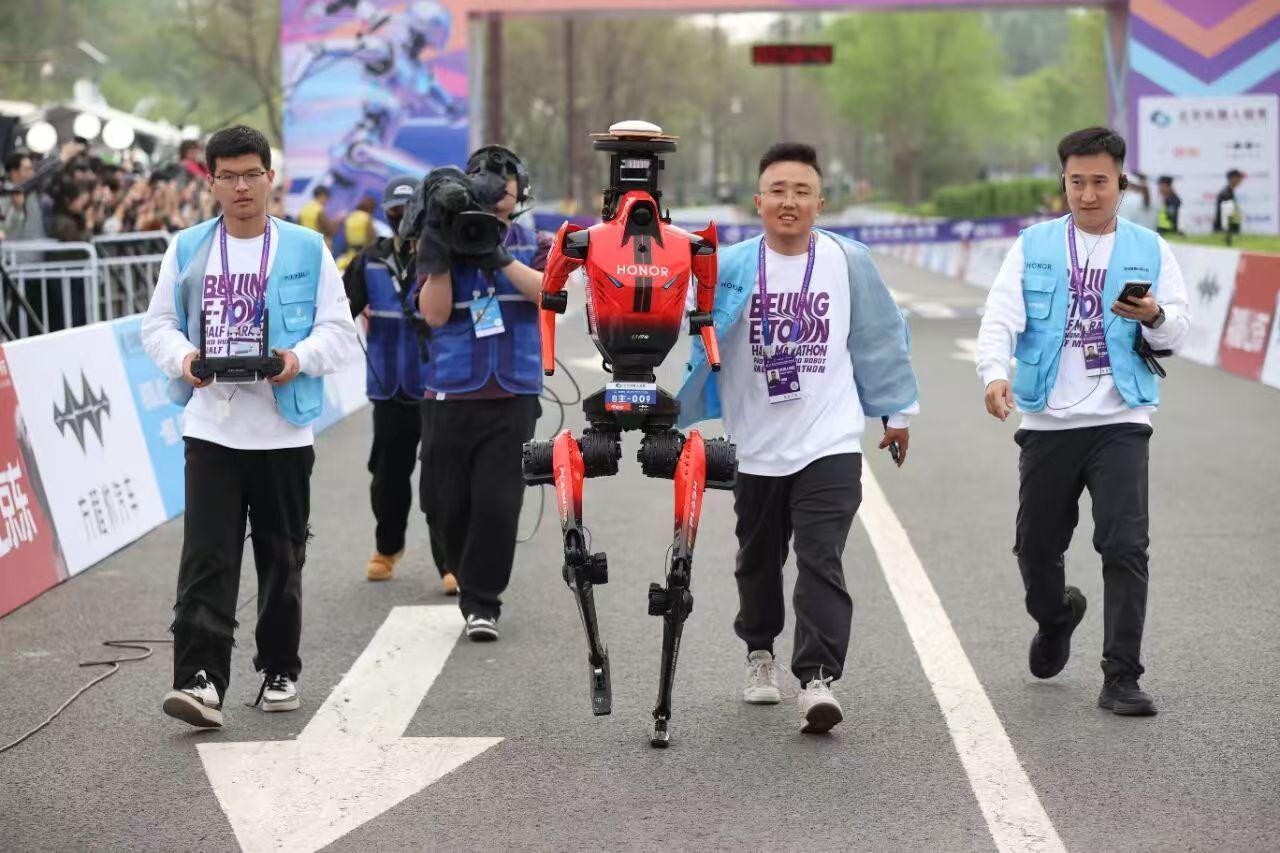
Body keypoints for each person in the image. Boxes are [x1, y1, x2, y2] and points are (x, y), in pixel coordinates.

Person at [677, 142, 920, 734]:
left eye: (802, 191)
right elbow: (687, 325)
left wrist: (895, 412)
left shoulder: (848, 261)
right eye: (778, 191)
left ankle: (817, 679)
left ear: (820, 202)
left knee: (820, 556)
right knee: (758, 559)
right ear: (757, 201)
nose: (790, 202)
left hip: (829, 439)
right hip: (755, 444)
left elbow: (880, 336)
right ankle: (760, 652)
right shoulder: (730, 267)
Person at [142, 125, 360, 728]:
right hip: (211, 429)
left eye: (252, 174)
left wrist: (296, 359)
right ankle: (200, 680)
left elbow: (339, 332)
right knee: (206, 558)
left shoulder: (307, 248)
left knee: (282, 557)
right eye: (229, 176)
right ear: (211, 183)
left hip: (283, 432)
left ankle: (280, 669)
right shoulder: (187, 248)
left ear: (271, 178)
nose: (241, 187)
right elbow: (157, 325)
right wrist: (185, 359)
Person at [976, 126, 1191, 716]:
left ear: (1122, 183)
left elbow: (1177, 334)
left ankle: (1122, 676)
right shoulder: (1034, 244)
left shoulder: (1150, 248)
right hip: (1048, 419)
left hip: (1123, 417)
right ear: (1064, 182)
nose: (1088, 194)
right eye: (1077, 182)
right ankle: (1056, 616)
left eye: (1101, 181)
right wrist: (994, 374)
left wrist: (1154, 315)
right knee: (1035, 547)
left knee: (1125, 546)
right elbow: (1000, 317)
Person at [415, 145, 543, 642]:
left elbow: (549, 293)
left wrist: (500, 256)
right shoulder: (446, 235)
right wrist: (438, 251)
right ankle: (465, 573)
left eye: (507, 177)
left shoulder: (535, 241)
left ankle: (483, 600)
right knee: (442, 504)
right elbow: (434, 314)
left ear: (521, 189)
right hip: (450, 390)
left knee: (497, 503)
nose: (497, 184)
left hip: (513, 392)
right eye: (487, 175)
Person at [342, 175, 451, 592]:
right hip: (388, 387)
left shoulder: (444, 258)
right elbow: (339, 314)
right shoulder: (368, 261)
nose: (402, 218)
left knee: (441, 478)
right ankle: (387, 549)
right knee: (387, 476)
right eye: (394, 212)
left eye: (409, 211)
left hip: (439, 387)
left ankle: (451, 562)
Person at [1213, 169, 1245, 238]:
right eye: (1239, 177)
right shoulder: (1226, 194)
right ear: (1232, 178)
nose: (1240, 180)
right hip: (1224, 233)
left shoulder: (1229, 192)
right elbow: (1227, 217)